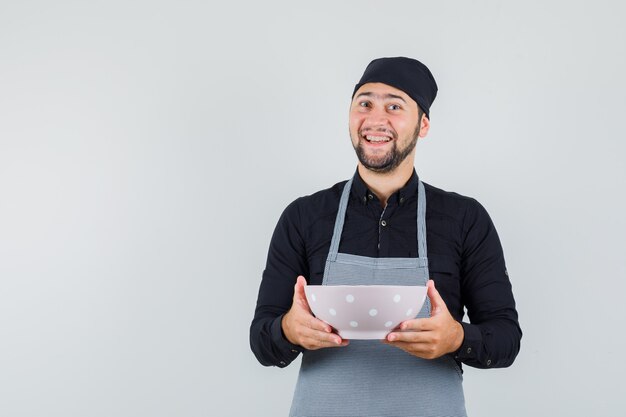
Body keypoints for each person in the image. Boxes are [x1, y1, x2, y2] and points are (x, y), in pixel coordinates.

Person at [250, 57, 522, 417]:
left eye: (394, 106)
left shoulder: (464, 219)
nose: (376, 120)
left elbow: (505, 338)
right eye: (365, 103)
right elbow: (261, 339)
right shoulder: (304, 216)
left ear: (423, 124)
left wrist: (457, 338)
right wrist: (287, 329)